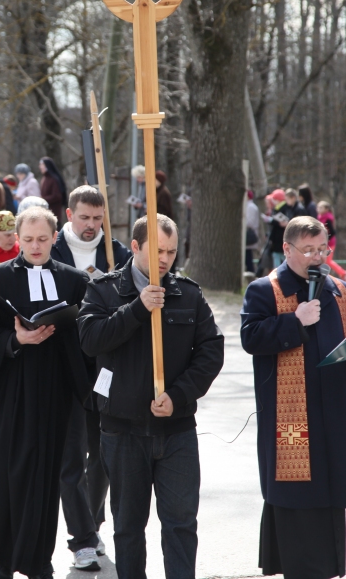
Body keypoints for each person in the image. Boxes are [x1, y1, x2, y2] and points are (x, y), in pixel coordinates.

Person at [79, 214, 224, 579]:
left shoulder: (187, 294)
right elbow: (91, 341)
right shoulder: (104, 290)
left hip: (175, 432)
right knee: (128, 528)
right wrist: (138, 308)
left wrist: (179, 396)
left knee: (180, 525)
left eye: (172, 252)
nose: (165, 259)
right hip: (122, 431)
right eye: (158, 250)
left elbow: (211, 352)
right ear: (136, 247)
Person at [241, 216, 346, 579]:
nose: (318, 257)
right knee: (296, 498)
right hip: (288, 417)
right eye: (309, 250)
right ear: (287, 249)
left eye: (323, 249)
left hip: (332, 414)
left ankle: (326, 569)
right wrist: (294, 321)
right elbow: (251, 338)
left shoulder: (342, 291)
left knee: (328, 495)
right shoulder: (264, 289)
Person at [0, 206, 93, 579]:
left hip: (55, 392)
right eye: (29, 239)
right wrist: (14, 339)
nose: (36, 247)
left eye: (43, 239)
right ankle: (4, 559)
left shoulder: (74, 281)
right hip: (9, 392)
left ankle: (37, 560)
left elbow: (89, 338)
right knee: (6, 475)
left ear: (54, 237)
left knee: (47, 478)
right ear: (19, 238)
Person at [48, 185, 131, 569]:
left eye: (98, 219)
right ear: (69, 215)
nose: (92, 226)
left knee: (102, 454)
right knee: (70, 456)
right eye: (84, 217)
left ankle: (93, 524)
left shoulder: (118, 254)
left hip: (105, 366)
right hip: (63, 366)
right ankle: (75, 534)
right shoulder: (50, 252)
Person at [262, 189, 293, 269]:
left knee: (280, 261)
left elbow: (280, 223)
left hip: (280, 239)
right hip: (277, 240)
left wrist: (272, 220)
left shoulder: (283, 208)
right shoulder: (279, 208)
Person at [316, 201, 346, 279]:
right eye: (318, 207)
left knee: (327, 260)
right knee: (323, 259)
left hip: (329, 243)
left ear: (326, 209)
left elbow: (332, 232)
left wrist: (326, 240)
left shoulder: (327, 218)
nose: (318, 209)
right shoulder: (321, 217)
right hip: (324, 243)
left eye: (321, 208)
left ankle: (343, 273)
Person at [39, 157, 67, 225]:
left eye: (42, 165)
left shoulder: (53, 179)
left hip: (54, 213)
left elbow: (57, 196)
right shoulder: (45, 178)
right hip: (46, 212)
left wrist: (43, 199)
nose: (40, 167)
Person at [246, 191, 262, 274]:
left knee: (248, 258)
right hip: (248, 235)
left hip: (249, 235)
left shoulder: (250, 207)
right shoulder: (248, 206)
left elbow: (250, 222)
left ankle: (251, 274)